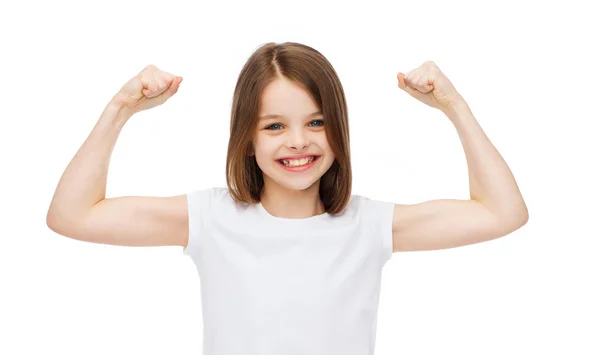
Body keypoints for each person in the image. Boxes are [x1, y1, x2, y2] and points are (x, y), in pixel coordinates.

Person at [46, 42, 529, 355]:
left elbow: (504, 212)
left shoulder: (370, 225)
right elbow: (71, 215)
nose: (298, 141)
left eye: (316, 122)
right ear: (247, 139)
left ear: (338, 131)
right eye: (274, 126)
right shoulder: (210, 219)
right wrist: (120, 108)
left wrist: (454, 105)